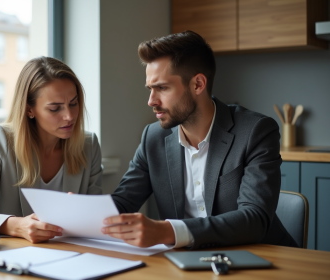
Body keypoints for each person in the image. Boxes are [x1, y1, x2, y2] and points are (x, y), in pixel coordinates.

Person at [101, 31, 297, 249]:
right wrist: (75, 214)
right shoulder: (153, 138)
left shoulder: (255, 131)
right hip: (187, 263)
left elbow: (254, 219)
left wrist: (168, 231)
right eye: (150, 89)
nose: (151, 101)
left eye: (162, 88)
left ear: (197, 84)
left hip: (261, 259)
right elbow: (121, 203)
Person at [0, 57, 102, 243]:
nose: (69, 116)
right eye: (55, 109)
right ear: (29, 110)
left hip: (71, 255)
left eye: (73, 104)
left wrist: (82, 213)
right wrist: (16, 226)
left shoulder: (89, 145)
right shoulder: (0, 138)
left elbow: (97, 217)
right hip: (12, 258)